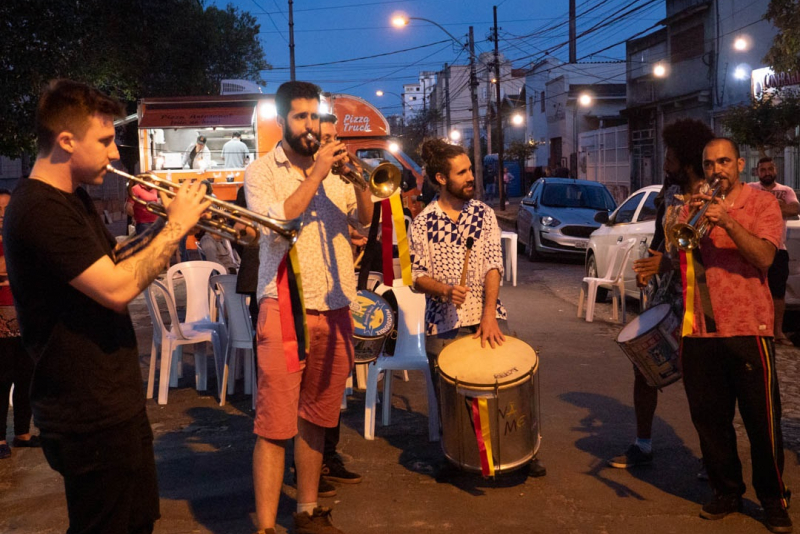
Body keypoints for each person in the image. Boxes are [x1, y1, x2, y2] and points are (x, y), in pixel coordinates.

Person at [3, 79, 209, 534]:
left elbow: (110, 261)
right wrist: (175, 230)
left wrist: (161, 225)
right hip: (85, 411)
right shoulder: (38, 209)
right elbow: (116, 289)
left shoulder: (70, 197)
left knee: (136, 521)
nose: (115, 152)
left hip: (113, 400)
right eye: (105, 139)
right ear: (65, 141)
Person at [245, 81, 373, 534]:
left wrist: (359, 180)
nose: (310, 126)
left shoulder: (335, 171)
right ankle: (264, 526)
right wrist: (317, 174)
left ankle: (307, 509)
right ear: (281, 122)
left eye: (314, 117)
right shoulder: (261, 172)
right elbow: (278, 220)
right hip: (285, 307)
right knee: (275, 424)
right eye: (300, 117)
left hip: (336, 306)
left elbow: (363, 220)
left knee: (317, 416)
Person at [408, 138, 545, 478]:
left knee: (504, 392)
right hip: (442, 324)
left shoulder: (483, 214)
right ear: (441, 178)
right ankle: (456, 455)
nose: (471, 176)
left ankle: (517, 454)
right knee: (453, 402)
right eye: (463, 172)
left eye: (470, 169)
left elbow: (493, 266)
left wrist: (488, 315)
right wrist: (443, 290)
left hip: (487, 318)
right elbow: (417, 276)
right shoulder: (423, 222)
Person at [680, 138, 790, 533]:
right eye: (709, 164)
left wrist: (726, 220)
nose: (716, 170)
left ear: (740, 164)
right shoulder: (695, 205)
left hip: (749, 326)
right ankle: (726, 490)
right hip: (701, 328)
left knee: (762, 421)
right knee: (709, 419)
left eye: (724, 162)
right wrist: (676, 226)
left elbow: (763, 257)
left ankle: (774, 500)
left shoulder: (763, 204)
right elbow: (683, 254)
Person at [608, 118, 714, 469]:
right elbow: (660, 239)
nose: (664, 161)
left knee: (700, 379)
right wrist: (647, 268)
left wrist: (668, 265)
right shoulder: (669, 194)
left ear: (686, 160)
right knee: (644, 366)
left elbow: (708, 253)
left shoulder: (710, 199)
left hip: (700, 298)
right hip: (665, 294)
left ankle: (713, 458)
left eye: (670, 155)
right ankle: (642, 443)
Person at [0, 188, 38, 460]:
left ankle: (22, 433)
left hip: (25, 315)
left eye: (6, 210)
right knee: (1, 380)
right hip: (1, 321)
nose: (2, 216)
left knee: (27, 377)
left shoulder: (19, 237)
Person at [748, 157, 799, 345]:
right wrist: (777, 208)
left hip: (778, 249)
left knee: (778, 293)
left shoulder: (785, 191)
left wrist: (767, 206)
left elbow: (794, 208)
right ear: (757, 172)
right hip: (753, 246)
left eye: (770, 169)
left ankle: (778, 333)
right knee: (753, 291)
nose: (767, 172)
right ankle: (755, 330)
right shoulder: (750, 188)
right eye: (763, 170)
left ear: (775, 170)